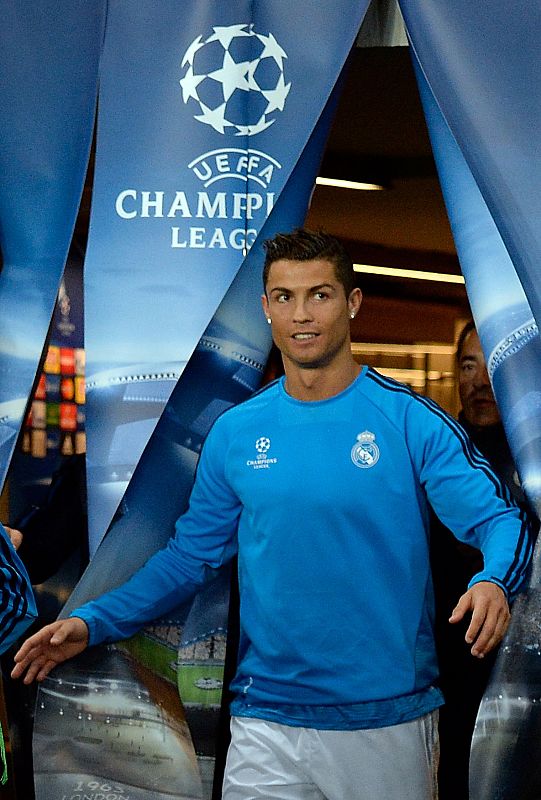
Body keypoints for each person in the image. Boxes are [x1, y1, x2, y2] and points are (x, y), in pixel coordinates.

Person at [11, 230, 533, 800]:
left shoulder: (410, 420)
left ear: (352, 303)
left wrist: (492, 581)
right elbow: (189, 559)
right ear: (265, 309)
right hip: (264, 722)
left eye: (320, 295)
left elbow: (501, 520)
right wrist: (93, 622)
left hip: (386, 722)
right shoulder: (237, 432)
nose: (301, 314)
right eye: (284, 297)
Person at [433, 320, 535, 800]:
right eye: (468, 366)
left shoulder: (534, 465)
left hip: (523, 658)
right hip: (451, 656)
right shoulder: (436, 450)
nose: (478, 382)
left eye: (491, 367)